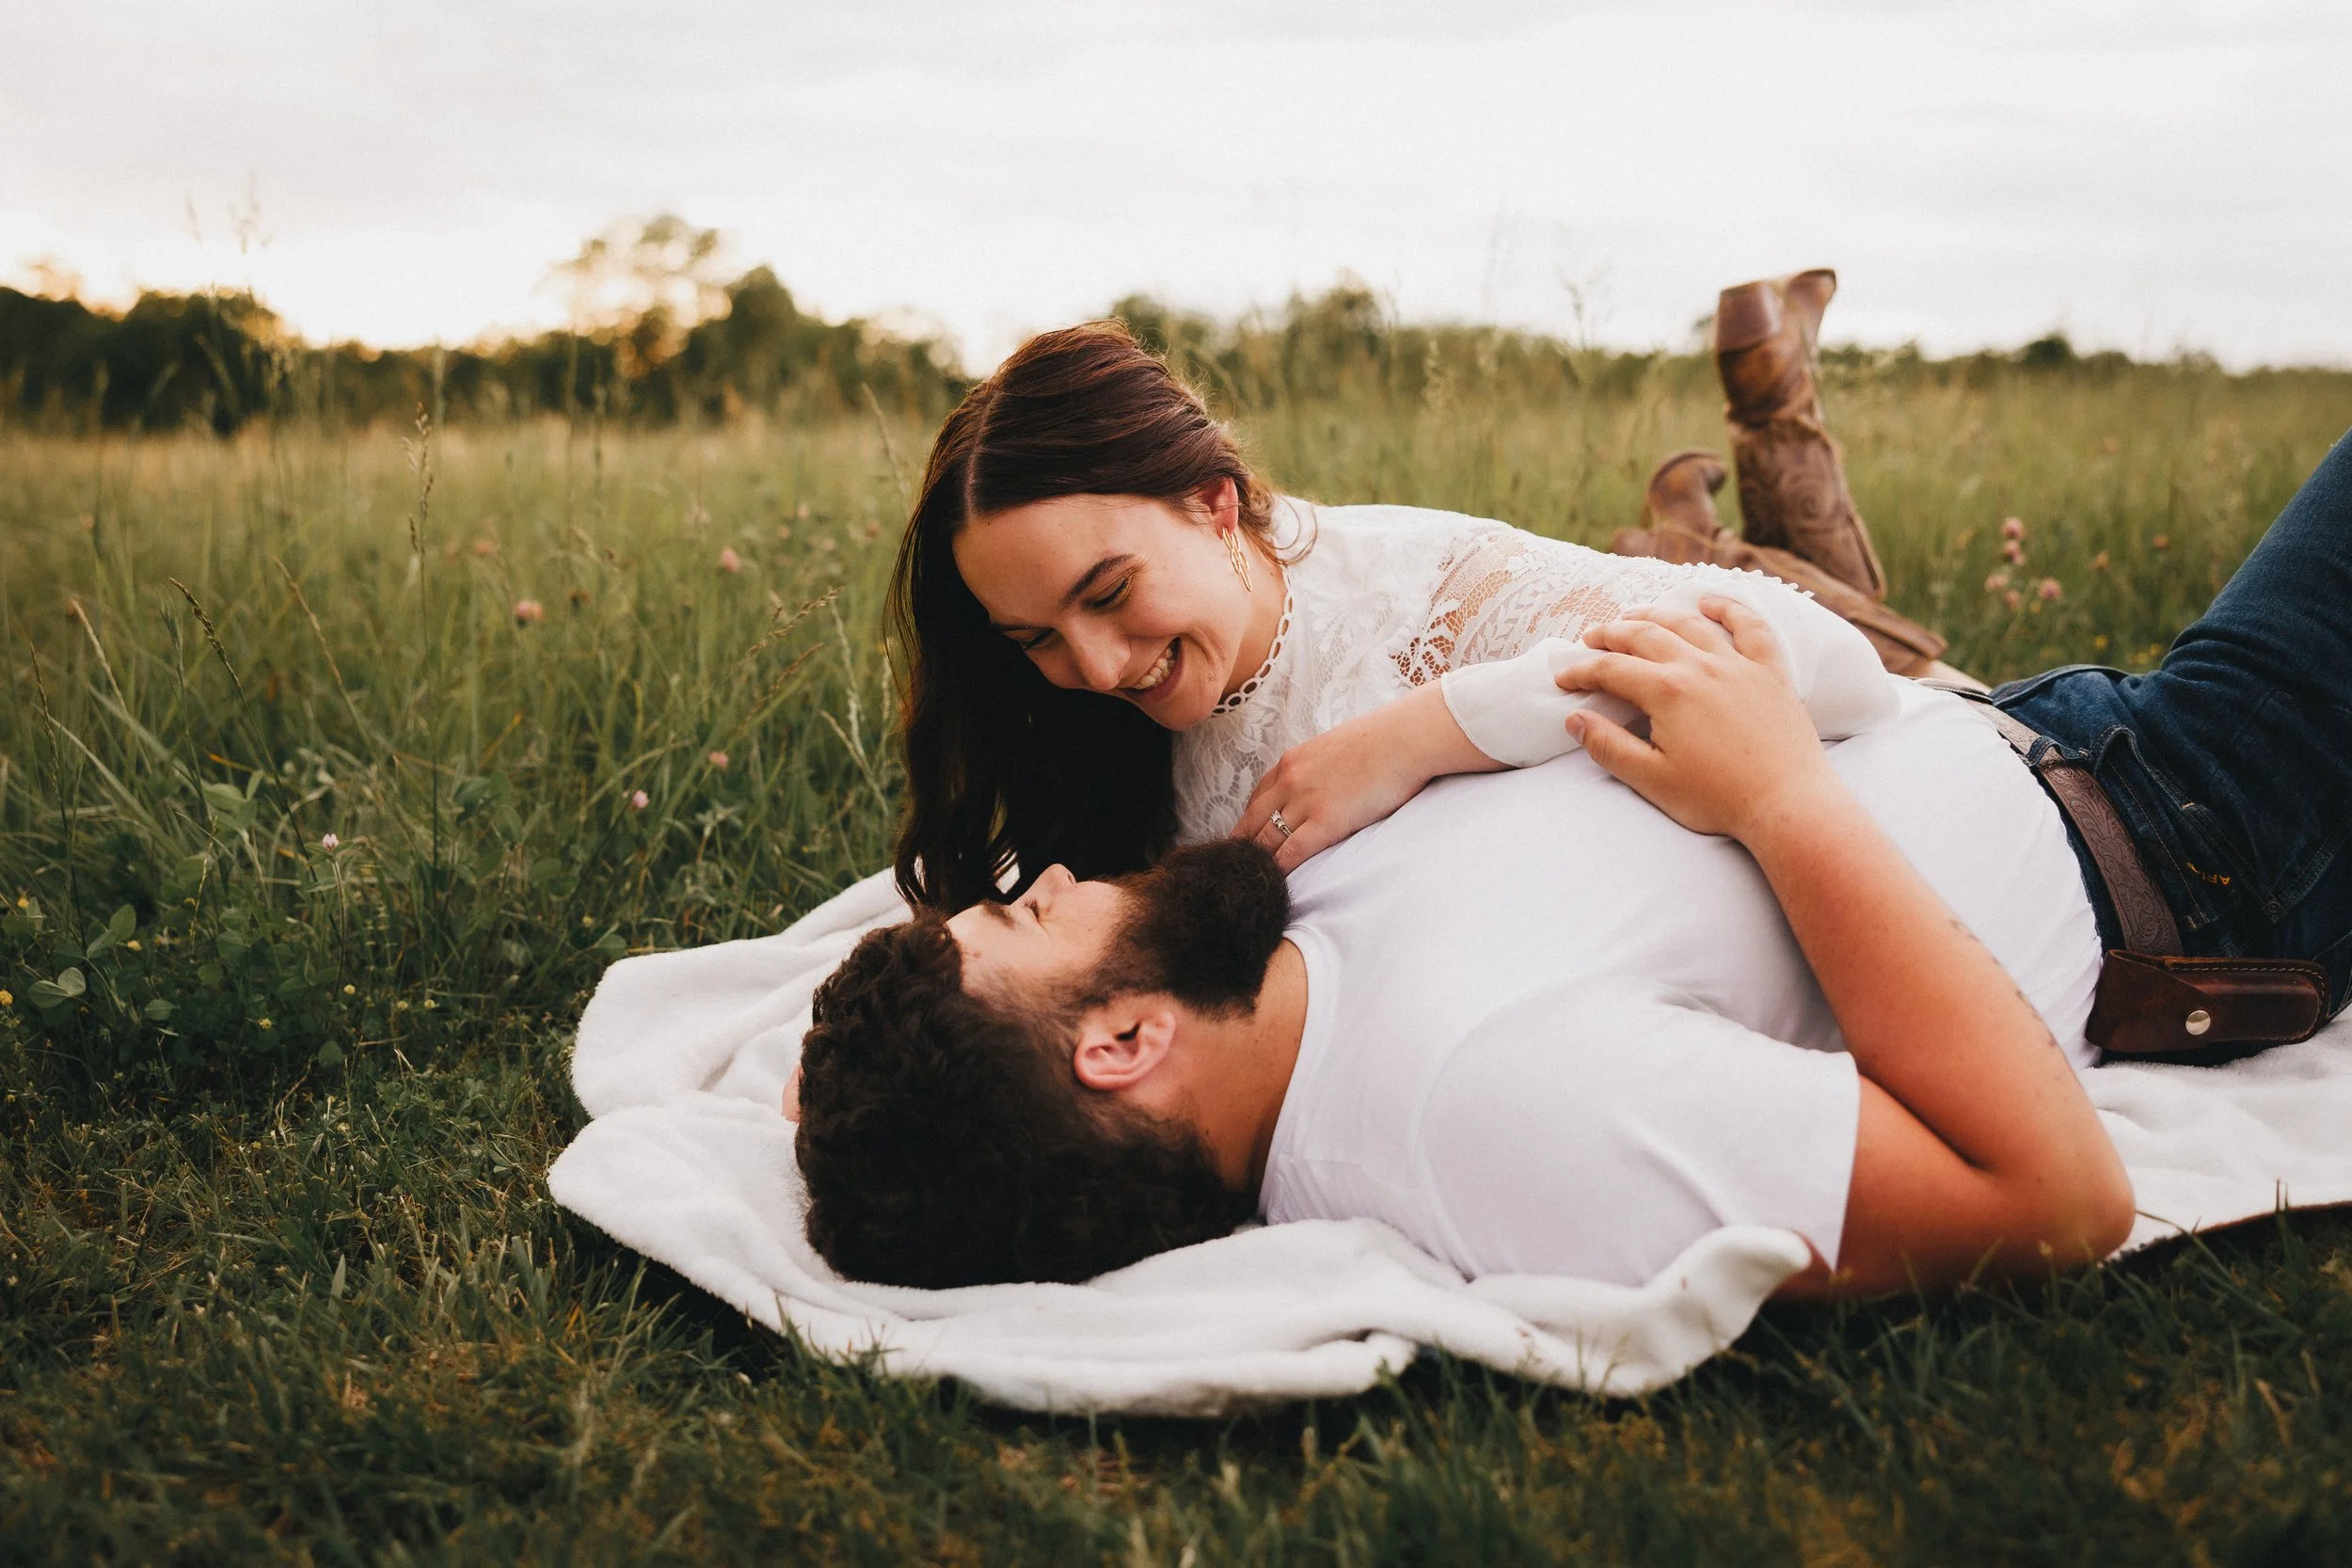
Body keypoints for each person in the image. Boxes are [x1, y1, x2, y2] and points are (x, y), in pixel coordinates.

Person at [789, 432, 2352, 1292]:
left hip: (2052, 731)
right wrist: (1783, 799)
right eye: (1021, 919)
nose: (1045, 880)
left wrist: (870, 1092)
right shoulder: (1486, 1110)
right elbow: (2058, 1198)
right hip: (2197, 835)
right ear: (1123, 1042)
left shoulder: (1265, 928)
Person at [888, 273, 1958, 912]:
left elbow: (1824, 659)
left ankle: (1737, 490)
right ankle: (1730, 486)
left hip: (1969, 778)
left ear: (1214, 504)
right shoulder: (1087, 714)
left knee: (1917, 667)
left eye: (1111, 592)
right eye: (1035, 636)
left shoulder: (1429, 596)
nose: (1097, 668)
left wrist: (1419, 733)